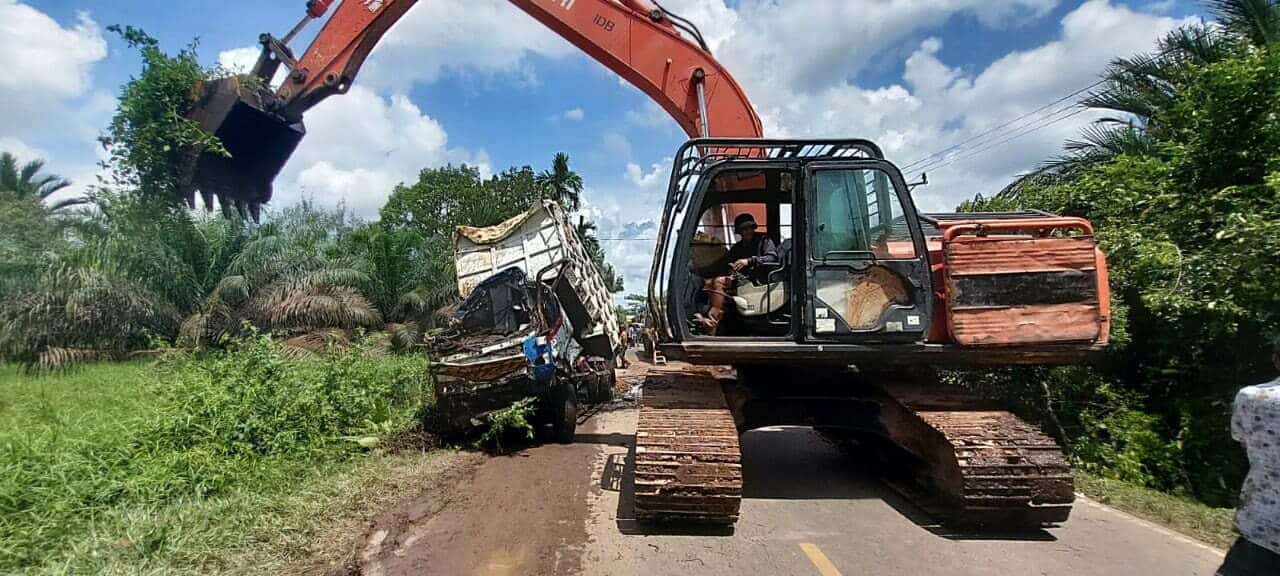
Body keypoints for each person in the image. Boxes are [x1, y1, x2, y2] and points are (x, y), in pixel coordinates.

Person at [694, 213, 780, 333]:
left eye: (748, 228)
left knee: (718, 282)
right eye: (742, 230)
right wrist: (700, 271)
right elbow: (722, 263)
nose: (746, 232)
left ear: (753, 227)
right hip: (742, 280)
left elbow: (772, 258)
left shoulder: (764, 240)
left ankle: (713, 322)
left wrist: (749, 261)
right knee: (708, 283)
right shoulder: (738, 248)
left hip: (759, 281)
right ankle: (704, 318)